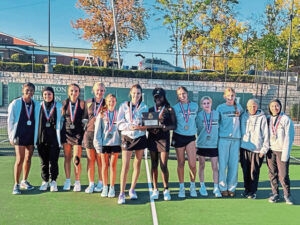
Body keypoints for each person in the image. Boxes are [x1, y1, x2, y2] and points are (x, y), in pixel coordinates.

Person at [117, 84, 148, 204]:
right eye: (134, 93)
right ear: (130, 93)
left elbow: (146, 125)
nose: (136, 96)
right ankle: (121, 193)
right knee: (125, 165)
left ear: (141, 95)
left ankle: (132, 189)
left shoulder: (144, 107)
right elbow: (119, 124)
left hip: (139, 137)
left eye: (138, 93)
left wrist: (142, 128)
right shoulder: (124, 106)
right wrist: (130, 126)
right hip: (127, 137)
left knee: (137, 163)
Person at [147, 88, 176, 201]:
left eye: (160, 97)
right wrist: (151, 130)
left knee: (163, 165)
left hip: (164, 139)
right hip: (153, 139)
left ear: (164, 97)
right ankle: (155, 189)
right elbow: (148, 126)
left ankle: (166, 189)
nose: (158, 99)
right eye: (156, 97)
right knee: (154, 164)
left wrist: (166, 128)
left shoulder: (169, 109)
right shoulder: (151, 109)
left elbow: (174, 125)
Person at [8, 82, 37, 195]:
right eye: (27, 90)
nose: (29, 92)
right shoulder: (15, 103)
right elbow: (10, 121)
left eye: (31, 90)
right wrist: (11, 136)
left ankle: (24, 181)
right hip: (19, 135)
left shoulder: (36, 104)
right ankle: (16, 184)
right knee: (19, 159)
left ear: (34, 92)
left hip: (30, 135)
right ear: (23, 90)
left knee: (28, 158)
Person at [267, 99, 295, 205]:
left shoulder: (285, 119)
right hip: (270, 150)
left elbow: (289, 137)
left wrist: (285, 153)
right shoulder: (268, 118)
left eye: (277, 106)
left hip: (281, 151)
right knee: (272, 174)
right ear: (269, 108)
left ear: (280, 106)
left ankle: (287, 195)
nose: (275, 108)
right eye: (273, 106)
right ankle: (275, 194)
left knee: (283, 175)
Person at [34, 87, 62, 192]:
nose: (47, 96)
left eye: (49, 94)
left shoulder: (59, 106)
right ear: (42, 95)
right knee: (44, 162)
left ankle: (53, 181)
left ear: (53, 95)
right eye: (45, 94)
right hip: (41, 139)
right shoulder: (38, 106)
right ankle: (45, 181)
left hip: (54, 139)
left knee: (54, 161)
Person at [172, 86, 198, 198]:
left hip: (191, 137)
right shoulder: (175, 107)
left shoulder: (194, 106)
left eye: (184, 93)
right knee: (181, 163)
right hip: (179, 136)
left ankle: (192, 186)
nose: (182, 96)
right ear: (177, 96)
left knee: (192, 164)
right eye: (179, 94)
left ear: (187, 94)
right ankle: (182, 187)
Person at [240, 99, 269, 199]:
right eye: (250, 106)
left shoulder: (262, 118)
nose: (253, 108)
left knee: (254, 171)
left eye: (255, 106)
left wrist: (263, 150)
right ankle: (246, 190)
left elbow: (266, 134)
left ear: (257, 107)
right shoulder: (243, 116)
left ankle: (252, 192)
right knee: (245, 171)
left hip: (257, 150)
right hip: (244, 148)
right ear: (247, 107)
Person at [217, 87, 243, 197]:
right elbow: (217, 123)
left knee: (233, 165)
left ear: (235, 96)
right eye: (228, 95)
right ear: (225, 96)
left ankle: (231, 187)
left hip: (236, 140)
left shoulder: (239, 108)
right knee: (222, 165)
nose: (230, 97)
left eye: (232, 95)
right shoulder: (220, 108)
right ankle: (222, 187)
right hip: (223, 139)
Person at [94, 94, 121, 198]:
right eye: (109, 101)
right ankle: (105, 187)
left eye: (113, 101)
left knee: (113, 166)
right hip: (104, 144)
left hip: (115, 143)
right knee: (104, 166)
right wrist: (98, 145)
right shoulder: (101, 114)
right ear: (106, 102)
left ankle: (112, 188)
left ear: (116, 102)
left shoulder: (118, 114)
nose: (111, 103)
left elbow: (120, 130)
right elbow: (98, 131)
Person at [195, 96, 221, 198]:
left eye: (208, 103)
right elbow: (195, 128)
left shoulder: (217, 114)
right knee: (201, 165)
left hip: (213, 144)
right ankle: (202, 186)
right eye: (204, 103)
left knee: (215, 167)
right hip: (202, 144)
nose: (206, 105)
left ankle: (216, 187)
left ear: (211, 103)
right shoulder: (199, 116)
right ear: (201, 105)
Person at [61, 83, 85, 192]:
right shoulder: (64, 103)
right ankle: (67, 180)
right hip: (66, 134)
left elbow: (86, 118)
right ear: (68, 92)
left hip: (77, 134)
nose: (74, 93)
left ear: (79, 92)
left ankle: (77, 181)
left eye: (76, 91)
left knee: (76, 159)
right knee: (67, 157)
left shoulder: (82, 104)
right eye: (71, 90)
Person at [83, 82, 106, 193]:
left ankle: (101, 183)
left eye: (102, 90)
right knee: (90, 160)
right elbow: (84, 118)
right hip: (89, 133)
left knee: (100, 160)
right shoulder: (88, 102)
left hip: (101, 135)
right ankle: (91, 183)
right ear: (93, 90)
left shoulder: (107, 103)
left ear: (104, 91)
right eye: (97, 90)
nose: (99, 92)